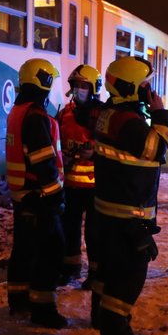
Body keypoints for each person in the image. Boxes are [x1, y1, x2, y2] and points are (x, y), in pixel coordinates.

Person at [91, 56, 168, 335]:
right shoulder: (128, 123)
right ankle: (115, 334)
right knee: (129, 275)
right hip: (127, 212)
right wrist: (161, 115)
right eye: (144, 85)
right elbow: (157, 149)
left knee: (108, 272)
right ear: (129, 88)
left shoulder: (111, 114)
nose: (148, 91)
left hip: (108, 209)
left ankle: (101, 318)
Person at [5, 58, 68, 328]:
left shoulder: (19, 111)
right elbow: (44, 161)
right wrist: (55, 195)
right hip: (39, 196)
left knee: (23, 251)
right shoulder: (37, 117)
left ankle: (18, 302)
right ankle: (43, 310)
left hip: (22, 194)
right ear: (44, 82)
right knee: (51, 252)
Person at [55, 64, 103, 287]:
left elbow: (113, 147)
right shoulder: (64, 113)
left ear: (94, 88)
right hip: (71, 186)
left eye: (84, 85)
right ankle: (70, 268)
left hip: (95, 187)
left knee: (95, 235)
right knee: (69, 230)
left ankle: (95, 274)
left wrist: (95, 153)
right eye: (76, 85)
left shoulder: (103, 115)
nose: (79, 90)